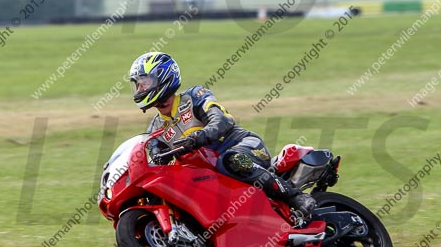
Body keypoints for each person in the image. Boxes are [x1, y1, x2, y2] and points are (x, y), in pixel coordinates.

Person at [129, 52, 317, 224]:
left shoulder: (194, 96)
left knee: (231, 160)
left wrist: (198, 137)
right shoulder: (155, 128)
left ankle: (296, 197)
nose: (139, 88)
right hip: (210, 174)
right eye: (137, 84)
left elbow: (222, 120)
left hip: (243, 145)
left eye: (144, 82)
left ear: (163, 77)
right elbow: (154, 158)